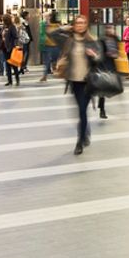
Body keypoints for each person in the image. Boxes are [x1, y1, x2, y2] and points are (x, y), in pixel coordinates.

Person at [54, 12, 104, 154]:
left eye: (83, 23)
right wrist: (66, 28)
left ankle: (79, 142)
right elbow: (53, 33)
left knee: (82, 110)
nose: (80, 26)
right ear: (74, 25)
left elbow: (100, 59)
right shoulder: (69, 40)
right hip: (74, 81)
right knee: (80, 112)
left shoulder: (92, 40)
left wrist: (94, 56)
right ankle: (85, 133)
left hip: (87, 82)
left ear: (86, 25)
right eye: (78, 23)